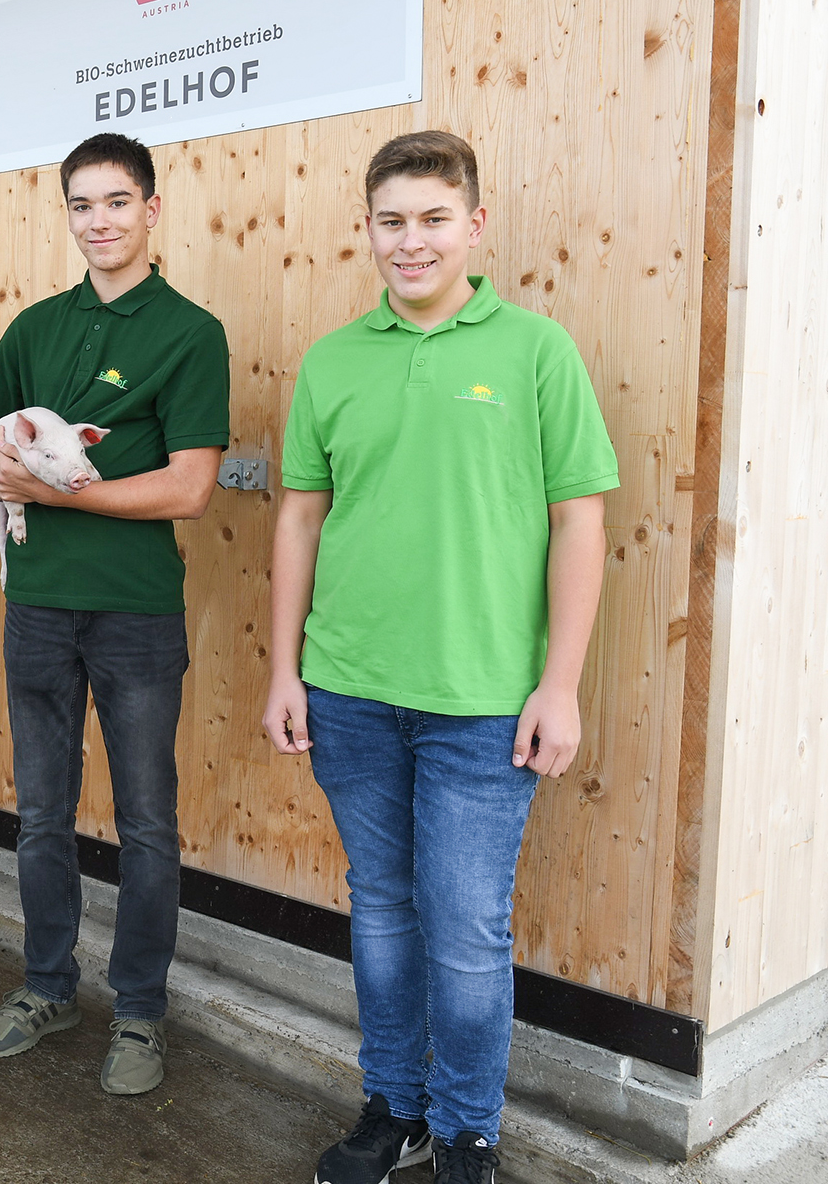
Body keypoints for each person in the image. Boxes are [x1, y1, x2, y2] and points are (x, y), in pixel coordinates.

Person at [260, 131, 616, 1184]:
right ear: (364, 227)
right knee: (379, 910)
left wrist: (559, 683)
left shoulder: (534, 350)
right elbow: (297, 521)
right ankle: (395, 1109)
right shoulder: (333, 359)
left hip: (479, 702)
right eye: (388, 221)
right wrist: (285, 668)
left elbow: (578, 523)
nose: (407, 242)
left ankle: (466, 1130)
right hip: (349, 690)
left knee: (462, 931)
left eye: (430, 219)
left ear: (472, 224)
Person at [0, 132, 229, 1095]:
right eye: (81, 204)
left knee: (147, 820)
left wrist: (61, 494)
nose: (99, 220)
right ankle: (46, 985)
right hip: (36, 607)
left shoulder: (191, 332)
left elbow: (190, 487)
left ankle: (142, 1013)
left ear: (151, 209)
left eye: (116, 201)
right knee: (40, 815)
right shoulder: (35, 325)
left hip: (135, 614)